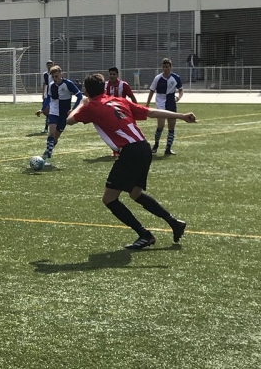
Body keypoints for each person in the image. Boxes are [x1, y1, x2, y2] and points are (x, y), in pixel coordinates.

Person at [66, 73, 194, 249]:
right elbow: (150, 112)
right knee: (135, 193)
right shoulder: (119, 101)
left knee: (109, 199)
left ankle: (144, 234)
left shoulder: (91, 106)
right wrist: (181, 116)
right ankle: (174, 222)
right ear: (103, 88)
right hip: (143, 147)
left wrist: (81, 103)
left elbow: (69, 120)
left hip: (130, 152)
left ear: (87, 91)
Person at [36, 65, 82, 166]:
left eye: (57, 76)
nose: (55, 79)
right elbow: (48, 98)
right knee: (51, 133)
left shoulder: (68, 84)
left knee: (55, 138)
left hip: (64, 114)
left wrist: (73, 109)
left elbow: (79, 96)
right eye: (53, 77)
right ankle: (48, 159)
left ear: (61, 74)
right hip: (54, 111)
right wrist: (43, 109)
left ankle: (47, 152)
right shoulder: (51, 85)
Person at [146, 58, 184, 155]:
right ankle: (156, 144)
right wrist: (147, 104)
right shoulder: (158, 78)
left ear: (170, 67)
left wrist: (178, 97)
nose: (165, 69)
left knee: (171, 127)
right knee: (160, 126)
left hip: (171, 102)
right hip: (160, 102)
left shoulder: (176, 78)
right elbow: (151, 90)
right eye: (163, 67)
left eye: (167, 67)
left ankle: (168, 148)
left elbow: (180, 90)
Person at [105, 66, 137, 157]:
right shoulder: (105, 85)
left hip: (122, 111)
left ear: (117, 75)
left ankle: (131, 147)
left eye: (114, 74)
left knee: (126, 129)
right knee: (112, 131)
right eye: (110, 74)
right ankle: (116, 150)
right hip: (110, 111)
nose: (112, 76)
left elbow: (132, 96)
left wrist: (135, 108)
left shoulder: (123, 85)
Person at [39, 60, 54, 133]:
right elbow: (44, 84)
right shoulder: (45, 74)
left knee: (50, 111)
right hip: (47, 94)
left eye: (51, 64)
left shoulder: (55, 74)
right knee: (45, 111)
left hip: (53, 94)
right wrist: (43, 94)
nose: (49, 66)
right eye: (48, 64)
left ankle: (47, 127)